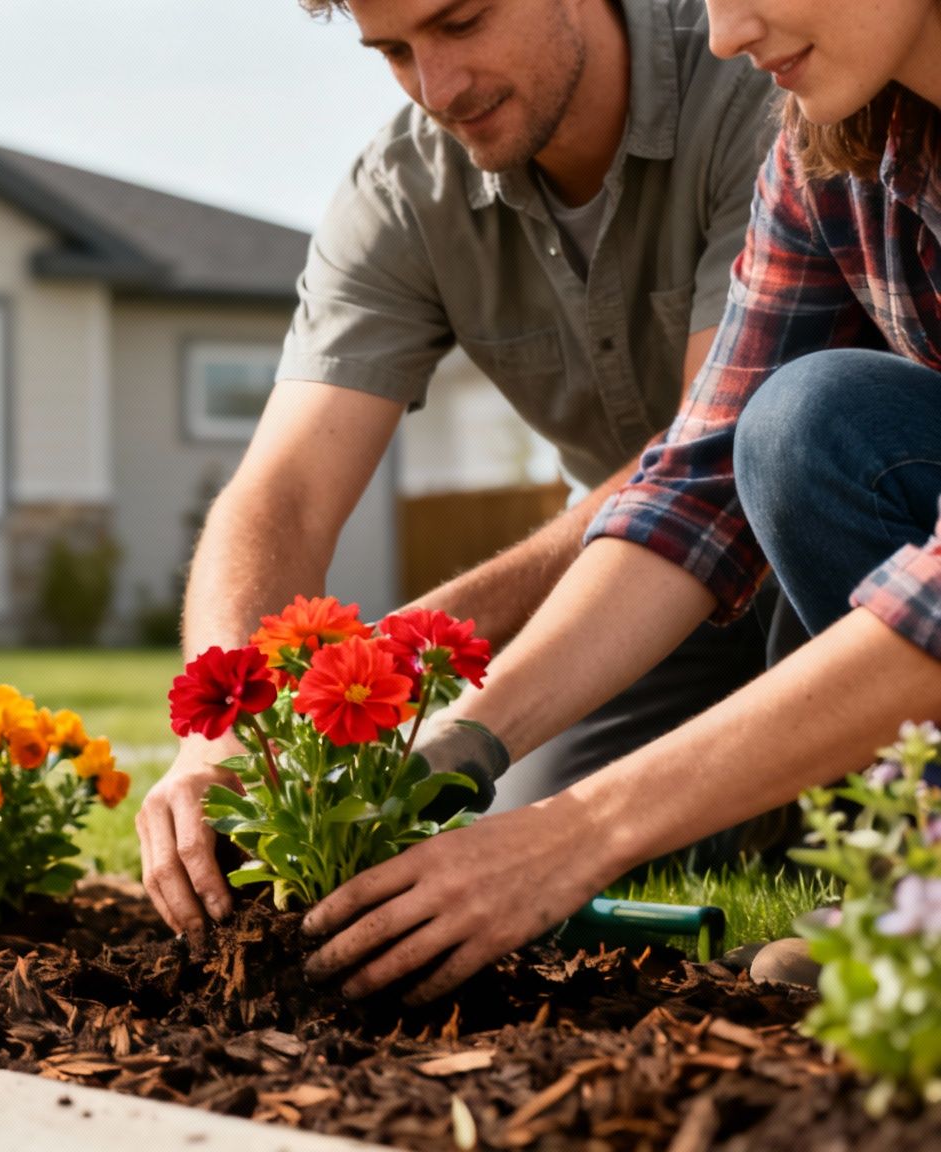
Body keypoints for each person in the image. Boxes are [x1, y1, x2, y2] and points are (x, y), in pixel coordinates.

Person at [298, 0, 941, 1004]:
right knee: (801, 421)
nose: (724, 33)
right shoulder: (830, 148)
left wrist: (578, 832)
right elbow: (697, 482)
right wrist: (466, 732)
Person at [137, 0, 780, 936]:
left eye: (463, 22)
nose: (438, 89)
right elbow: (283, 494)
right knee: (508, 825)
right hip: (624, 594)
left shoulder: (755, 78)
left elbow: (712, 444)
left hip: (815, 541)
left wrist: (420, 641)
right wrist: (226, 731)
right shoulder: (403, 190)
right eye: (394, 50)